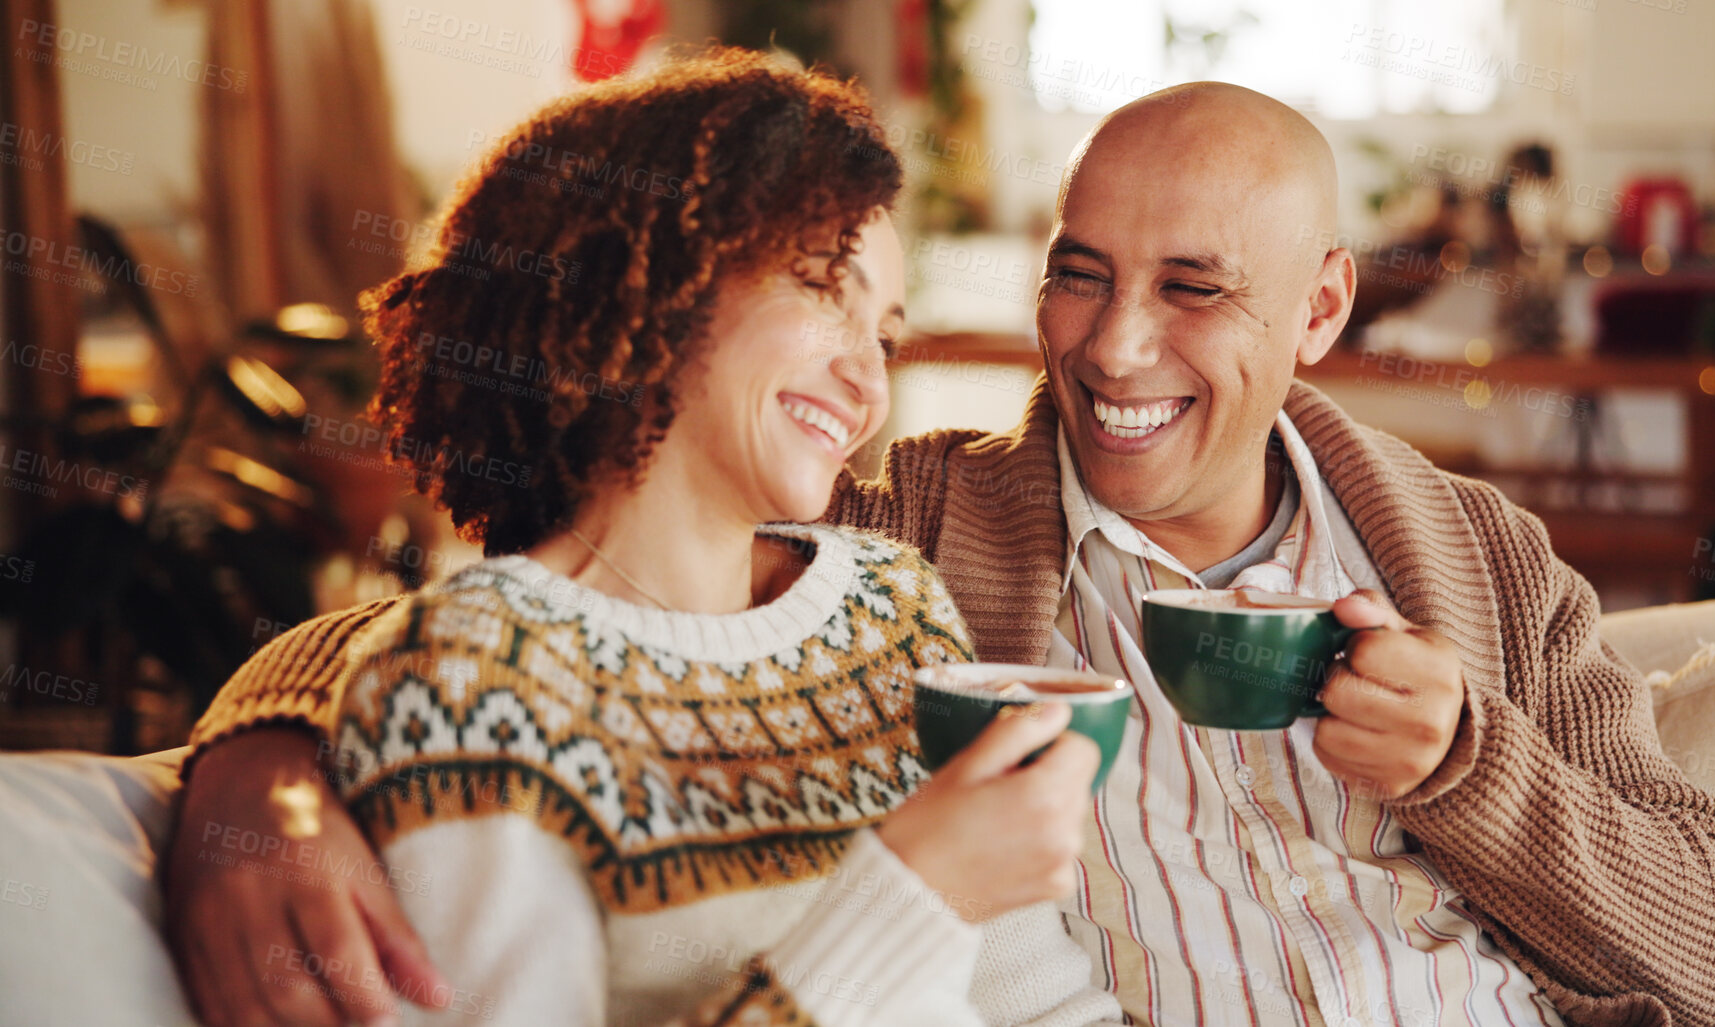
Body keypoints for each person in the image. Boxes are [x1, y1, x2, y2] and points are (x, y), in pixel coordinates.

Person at [167, 81, 1715, 1026]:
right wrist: (262, 771)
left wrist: (1466, 767)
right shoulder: (897, 548)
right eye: (1079, 275)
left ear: (1323, 308)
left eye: (1193, 289)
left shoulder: (1475, 555)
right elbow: (569, 594)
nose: (1112, 347)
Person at [164, 49, 1123, 1027]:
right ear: (648, 288)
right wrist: (911, 893)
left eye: (883, 333)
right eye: (822, 289)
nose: (866, 380)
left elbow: (1042, 1002)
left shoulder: (893, 606)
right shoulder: (469, 688)